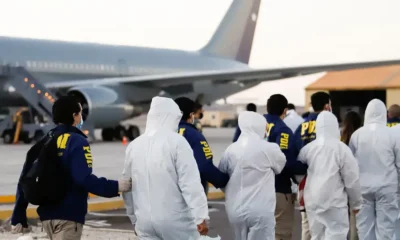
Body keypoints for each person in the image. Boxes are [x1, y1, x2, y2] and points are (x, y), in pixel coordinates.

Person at [11, 95, 132, 239]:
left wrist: (18, 215)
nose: (81, 117)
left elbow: (24, 179)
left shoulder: (44, 141)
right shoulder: (76, 141)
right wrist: (115, 186)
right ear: (74, 116)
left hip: (46, 218)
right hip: (68, 217)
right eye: (80, 113)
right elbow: (83, 179)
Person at [122, 96, 209, 239]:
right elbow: (190, 183)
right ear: (171, 118)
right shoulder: (177, 142)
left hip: (144, 221)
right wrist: (200, 216)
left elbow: (127, 187)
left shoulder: (134, 145)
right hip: (176, 222)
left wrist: (134, 219)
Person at [218, 111, 286, 240]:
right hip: (260, 209)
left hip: (235, 209)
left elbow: (222, 178)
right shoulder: (269, 148)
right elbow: (280, 166)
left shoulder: (231, 149)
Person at [297, 111, 362, 239]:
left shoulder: (307, 149)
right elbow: (352, 179)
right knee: (336, 234)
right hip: (334, 202)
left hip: (313, 201)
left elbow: (299, 174)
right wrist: (356, 203)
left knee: (316, 235)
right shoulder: (341, 149)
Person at [349, 99, 400, 240]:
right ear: (384, 114)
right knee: (387, 230)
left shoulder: (356, 135)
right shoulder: (392, 135)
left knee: (365, 230)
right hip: (387, 187)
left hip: (362, 188)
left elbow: (350, 166)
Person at [265, 94, 308, 240]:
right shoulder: (282, 130)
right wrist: (305, 168)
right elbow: (284, 161)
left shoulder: (255, 126)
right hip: (278, 188)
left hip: (255, 190)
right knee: (281, 234)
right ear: (285, 111)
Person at [293, 91, 332, 240]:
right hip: (326, 181)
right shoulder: (327, 126)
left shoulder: (301, 127)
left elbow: (294, 152)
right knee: (327, 224)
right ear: (326, 106)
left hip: (305, 181)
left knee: (307, 224)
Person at [175, 97, 229, 196]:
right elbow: (204, 167)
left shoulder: (160, 135)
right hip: (190, 196)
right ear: (191, 115)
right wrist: (223, 181)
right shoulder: (194, 135)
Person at [341, 111, 363, 240]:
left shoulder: (341, 141)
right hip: (358, 184)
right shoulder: (361, 139)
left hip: (342, 187)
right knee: (356, 222)